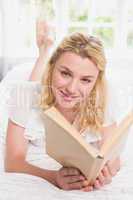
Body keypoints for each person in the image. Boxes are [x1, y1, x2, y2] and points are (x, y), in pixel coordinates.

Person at [4, 20, 120, 192]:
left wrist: (106, 171)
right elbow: (12, 162)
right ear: (51, 68)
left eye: (86, 80)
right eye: (65, 73)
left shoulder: (104, 96)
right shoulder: (24, 94)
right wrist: (53, 177)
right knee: (34, 88)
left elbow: (114, 157)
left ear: (96, 82)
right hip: (38, 91)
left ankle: (46, 51)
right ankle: (44, 52)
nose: (71, 89)